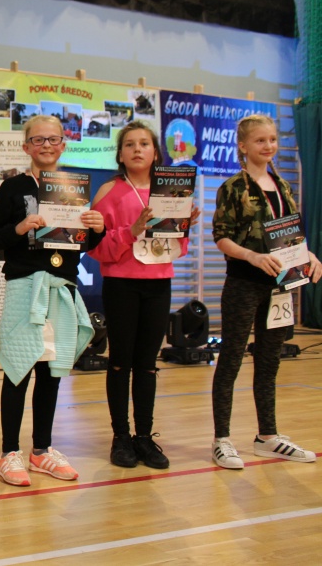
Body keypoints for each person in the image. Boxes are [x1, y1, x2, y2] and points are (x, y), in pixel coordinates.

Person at [0, 114, 105, 486]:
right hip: (25, 285)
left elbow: (82, 245)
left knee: (51, 372)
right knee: (18, 368)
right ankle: (9, 453)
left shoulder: (74, 188)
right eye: (38, 139)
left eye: (53, 139)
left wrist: (98, 230)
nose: (47, 145)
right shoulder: (13, 187)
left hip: (62, 285)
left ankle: (41, 450)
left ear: (63, 145)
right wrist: (20, 227)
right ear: (26, 146)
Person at [210, 114, 322, 469]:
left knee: (270, 360)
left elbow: (290, 234)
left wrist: (308, 255)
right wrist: (253, 257)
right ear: (243, 146)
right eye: (260, 140)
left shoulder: (283, 186)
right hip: (243, 284)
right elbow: (221, 237)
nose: (268, 146)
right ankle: (222, 439)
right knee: (231, 358)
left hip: (279, 287)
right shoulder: (233, 187)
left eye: (272, 139)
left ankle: (267, 436)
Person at [88, 121, 198, 469]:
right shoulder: (109, 192)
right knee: (121, 361)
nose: (137, 149)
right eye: (130, 144)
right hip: (121, 284)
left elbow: (177, 249)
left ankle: (145, 437)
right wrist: (131, 231)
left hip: (158, 284)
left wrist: (183, 228)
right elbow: (95, 248)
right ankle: (121, 436)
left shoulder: (173, 192)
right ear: (120, 154)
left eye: (145, 143)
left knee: (148, 364)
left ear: (156, 152)